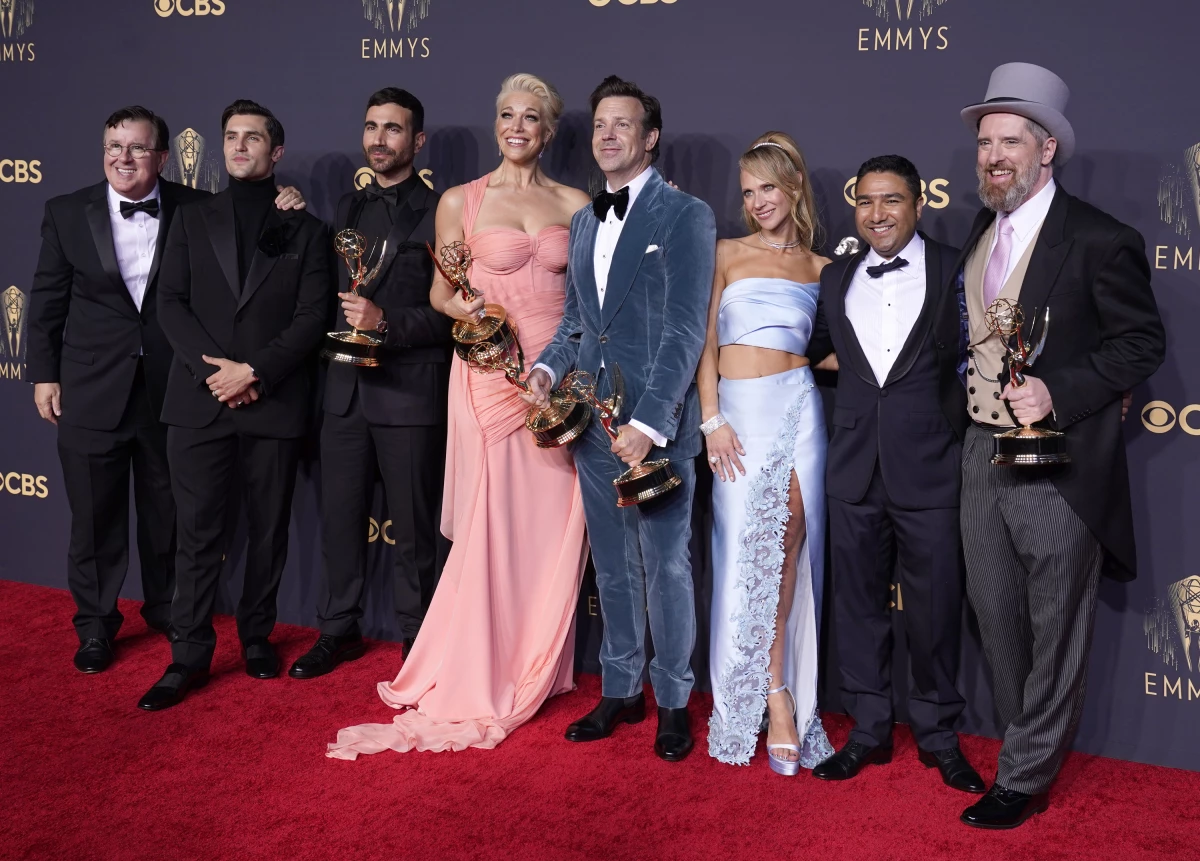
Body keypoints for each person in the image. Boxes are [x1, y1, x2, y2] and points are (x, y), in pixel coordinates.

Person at [327, 73, 590, 756]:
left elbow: (586, 305)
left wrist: (564, 370)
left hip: (554, 382)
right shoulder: (461, 201)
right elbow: (443, 294)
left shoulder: (576, 202)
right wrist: (470, 314)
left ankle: (536, 659)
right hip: (488, 376)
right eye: (506, 113)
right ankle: (480, 662)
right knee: (488, 524)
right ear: (496, 122)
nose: (517, 126)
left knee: (551, 525)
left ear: (550, 129)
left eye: (531, 116)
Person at [954, 63, 1164, 829]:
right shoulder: (984, 227)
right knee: (996, 612)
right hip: (980, 452)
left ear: (1048, 149)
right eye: (985, 141)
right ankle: (1023, 744)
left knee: (1055, 619)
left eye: (1012, 140)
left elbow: (1142, 341)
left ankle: (1024, 775)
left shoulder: (1101, 238)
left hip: (1057, 461)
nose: (994, 155)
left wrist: (1059, 391)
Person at [25, 105, 304, 674]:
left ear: (162, 155)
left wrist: (286, 202)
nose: (121, 158)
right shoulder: (65, 211)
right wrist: (44, 373)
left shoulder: (198, 208)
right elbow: (47, 298)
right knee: (94, 516)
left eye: (135, 147)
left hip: (172, 388)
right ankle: (97, 627)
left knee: (168, 516)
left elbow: (249, 232)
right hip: (90, 387)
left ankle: (167, 612)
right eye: (112, 146)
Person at [524, 75, 717, 762]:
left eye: (623, 124)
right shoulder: (582, 221)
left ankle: (671, 701)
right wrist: (547, 369)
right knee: (610, 566)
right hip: (592, 424)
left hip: (655, 428)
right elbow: (578, 323)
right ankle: (620, 687)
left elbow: (685, 331)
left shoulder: (685, 214)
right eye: (600, 123)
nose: (608, 134)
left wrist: (653, 422)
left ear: (650, 136)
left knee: (666, 566)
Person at [138, 99, 332, 710]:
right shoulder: (192, 218)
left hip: (271, 402)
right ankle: (188, 656)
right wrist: (215, 373)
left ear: (276, 153)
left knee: (269, 529)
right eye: (230, 137)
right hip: (198, 404)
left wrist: (257, 372)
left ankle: (255, 637)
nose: (239, 146)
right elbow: (169, 303)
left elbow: (312, 318)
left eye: (253, 138)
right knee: (195, 536)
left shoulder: (307, 226)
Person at [806, 155, 986, 794]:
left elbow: (982, 352)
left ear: (917, 204)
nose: (876, 214)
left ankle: (940, 736)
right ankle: (868, 731)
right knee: (857, 606)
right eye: (866, 202)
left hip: (931, 469)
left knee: (936, 609)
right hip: (853, 468)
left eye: (891, 201)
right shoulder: (836, 276)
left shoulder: (955, 269)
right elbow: (819, 348)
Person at [289, 88, 452, 680]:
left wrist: (387, 324)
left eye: (393, 129)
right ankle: (338, 629)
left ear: (418, 140)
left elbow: (453, 312)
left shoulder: (444, 211)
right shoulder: (344, 208)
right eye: (371, 127)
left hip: (409, 390)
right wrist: (286, 210)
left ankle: (419, 639)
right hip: (342, 393)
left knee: (414, 530)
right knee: (338, 520)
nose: (379, 139)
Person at [698, 132, 834, 775]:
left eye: (768, 188)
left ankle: (782, 687)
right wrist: (711, 419)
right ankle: (762, 697)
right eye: (748, 191)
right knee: (745, 556)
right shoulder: (724, 251)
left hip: (799, 408)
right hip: (737, 415)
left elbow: (845, 351)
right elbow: (701, 342)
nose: (757, 202)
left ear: (795, 186)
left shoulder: (824, 267)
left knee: (790, 554)